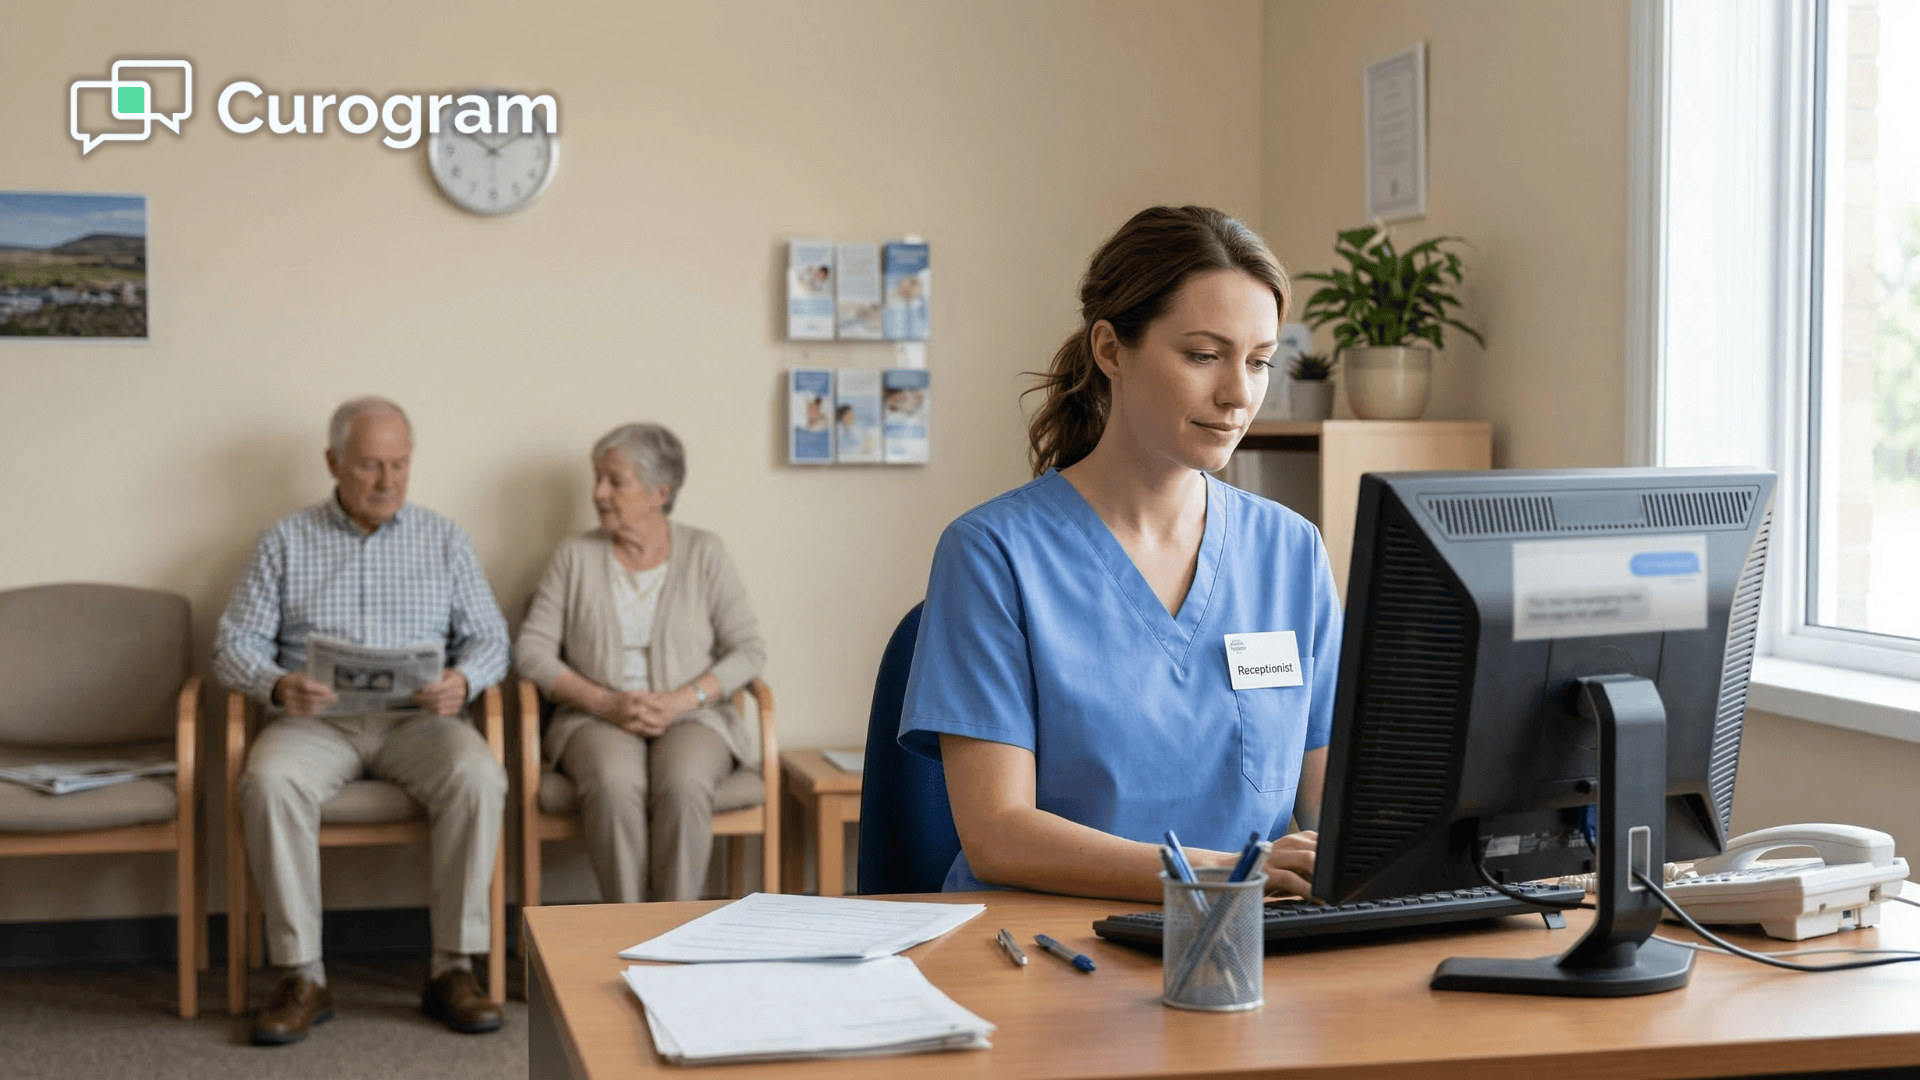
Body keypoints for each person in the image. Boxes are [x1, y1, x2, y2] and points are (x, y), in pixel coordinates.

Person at [898, 206, 1339, 903]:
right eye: (1203, 355)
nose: (1238, 395)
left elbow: (1331, 809)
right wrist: (1216, 877)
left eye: (1258, 362)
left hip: (1245, 949)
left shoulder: (1292, 553)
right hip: (1042, 954)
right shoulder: (992, 554)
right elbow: (997, 831)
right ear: (1109, 349)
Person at [212, 396, 511, 1045]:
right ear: (333, 462)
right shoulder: (284, 541)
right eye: (371, 466)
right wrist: (277, 684)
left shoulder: (445, 538)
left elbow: (493, 639)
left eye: (400, 465)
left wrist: (465, 680)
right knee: (267, 781)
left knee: (479, 775)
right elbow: (231, 646)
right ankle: (302, 974)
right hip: (316, 724)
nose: (387, 482)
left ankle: (452, 969)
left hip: (419, 725)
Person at [515, 423, 766, 904]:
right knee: (613, 782)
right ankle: (625, 921)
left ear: (659, 493)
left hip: (693, 715)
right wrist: (604, 701)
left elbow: (749, 649)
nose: (598, 493)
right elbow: (531, 651)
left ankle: (672, 926)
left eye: (615, 481)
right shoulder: (574, 557)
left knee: (686, 781)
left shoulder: (705, 553)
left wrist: (682, 699)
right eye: (597, 479)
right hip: (594, 716)